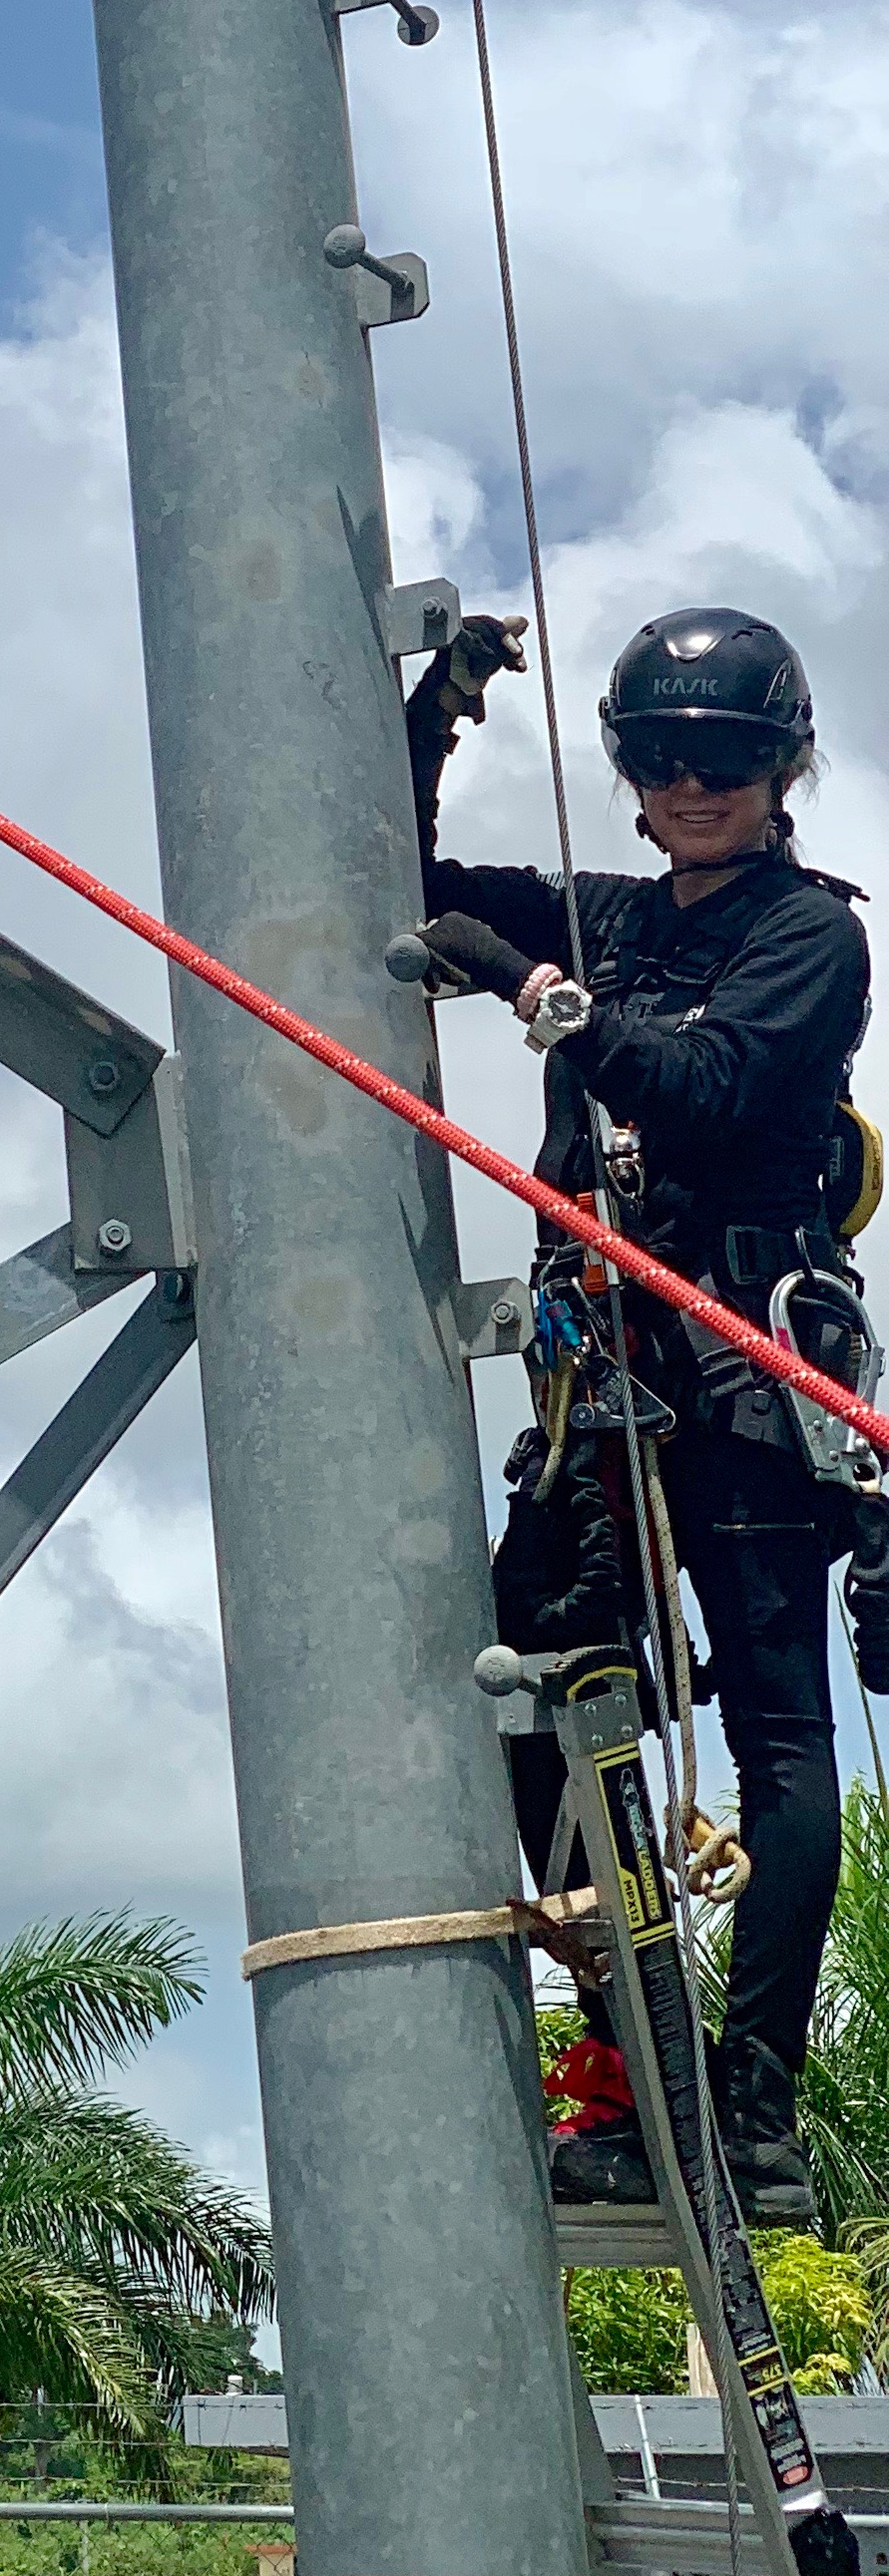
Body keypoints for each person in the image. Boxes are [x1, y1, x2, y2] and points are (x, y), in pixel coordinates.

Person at [408, 607, 871, 2226]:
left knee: (774, 1731)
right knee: (534, 1700)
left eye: (725, 762)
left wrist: (547, 1001)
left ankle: (753, 2119)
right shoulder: (612, 915)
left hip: (742, 1372)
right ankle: (632, 2071)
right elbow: (399, 880)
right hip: (600, 1377)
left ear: (782, 767)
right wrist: (436, 711)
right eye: (662, 762)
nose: (691, 789)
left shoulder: (812, 934)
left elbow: (717, 1087)